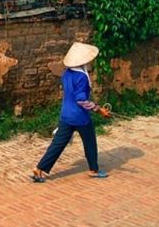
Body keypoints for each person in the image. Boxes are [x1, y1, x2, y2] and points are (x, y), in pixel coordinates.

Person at [31, 42, 111, 183]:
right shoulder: (82, 78)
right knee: (90, 143)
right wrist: (98, 110)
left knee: (58, 144)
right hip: (80, 117)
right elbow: (81, 100)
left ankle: (40, 169)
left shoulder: (66, 74)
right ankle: (93, 169)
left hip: (66, 115)